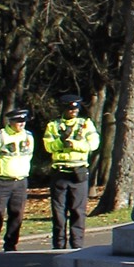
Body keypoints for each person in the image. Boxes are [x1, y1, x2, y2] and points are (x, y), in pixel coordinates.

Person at [41, 94, 100, 250]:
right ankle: (59, 245)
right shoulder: (53, 125)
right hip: (60, 172)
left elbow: (93, 144)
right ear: (64, 109)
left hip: (79, 172)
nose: (73, 111)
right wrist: (61, 142)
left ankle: (77, 245)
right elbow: (48, 146)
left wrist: (74, 144)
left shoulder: (85, 124)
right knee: (59, 213)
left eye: (75, 109)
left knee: (78, 212)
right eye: (70, 109)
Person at [0, 109, 35, 253]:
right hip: (2, 182)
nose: (21, 124)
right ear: (10, 122)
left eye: (23, 121)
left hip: (20, 182)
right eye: (18, 121)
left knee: (17, 214)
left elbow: (29, 156)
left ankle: (11, 245)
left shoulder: (28, 136)